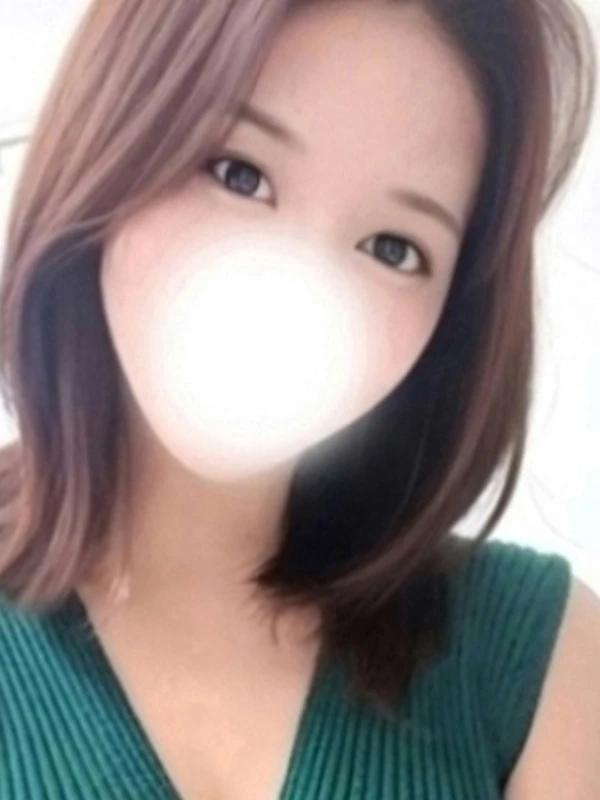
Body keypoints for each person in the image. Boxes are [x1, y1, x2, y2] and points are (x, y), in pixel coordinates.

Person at [0, 0, 598, 798]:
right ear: (117, 135)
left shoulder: (541, 658)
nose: (297, 291)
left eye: (393, 247)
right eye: (238, 173)